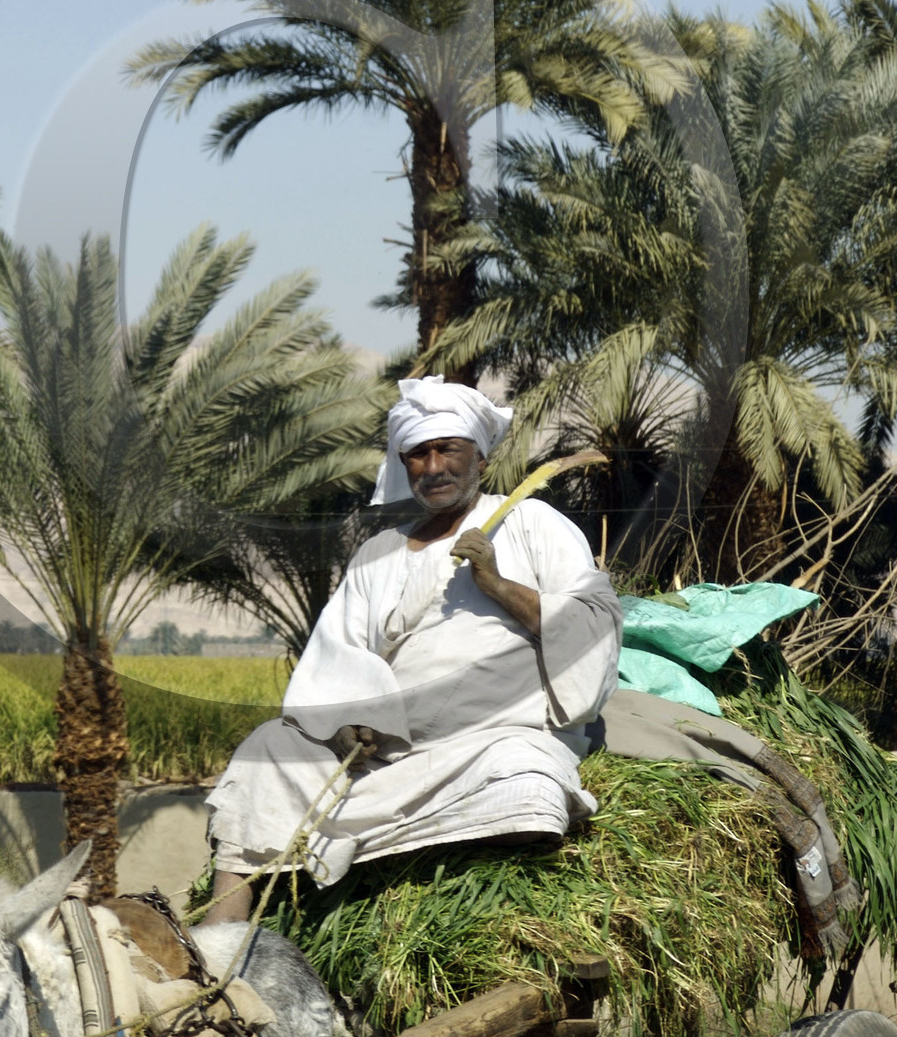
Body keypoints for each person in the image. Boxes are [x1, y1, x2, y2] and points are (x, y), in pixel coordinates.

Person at [203, 377, 622, 923]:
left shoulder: (534, 523)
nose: (433, 467)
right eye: (418, 455)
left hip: (491, 743)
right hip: (388, 758)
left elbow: (593, 625)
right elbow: (340, 655)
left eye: (447, 449)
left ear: (480, 460)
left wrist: (497, 583)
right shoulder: (378, 552)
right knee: (268, 750)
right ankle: (218, 940)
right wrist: (348, 723)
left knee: (524, 778)